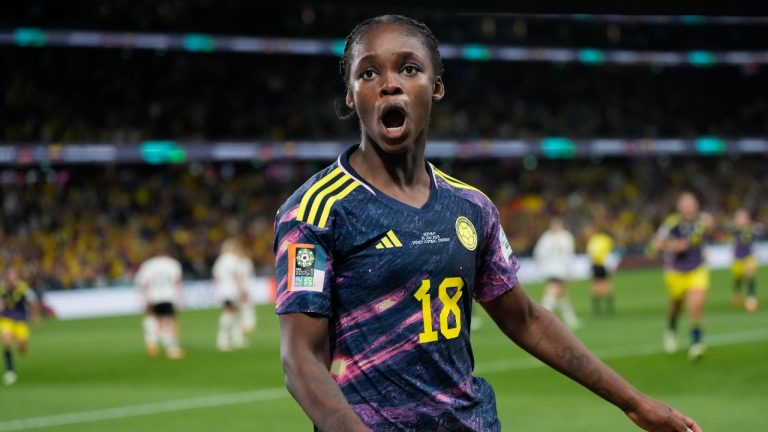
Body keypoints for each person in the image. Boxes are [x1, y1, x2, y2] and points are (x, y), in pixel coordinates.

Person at [274, 14, 701, 432]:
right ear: (351, 95)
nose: (389, 83)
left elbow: (526, 319)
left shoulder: (471, 207)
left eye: (409, 69)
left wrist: (635, 403)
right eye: (368, 73)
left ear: (436, 86)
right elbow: (300, 359)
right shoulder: (314, 212)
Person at [654, 192, 713, 361]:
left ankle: (696, 343)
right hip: (676, 272)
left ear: (696, 206)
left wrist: (711, 223)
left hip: (697, 270)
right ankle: (671, 330)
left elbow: (710, 227)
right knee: (676, 307)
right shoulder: (671, 223)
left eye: (691, 205)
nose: (688, 208)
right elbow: (656, 243)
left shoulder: (701, 222)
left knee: (695, 307)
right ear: (679, 207)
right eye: (685, 205)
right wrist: (673, 245)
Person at [135, 245, 184, 359]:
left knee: (153, 320)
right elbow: (176, 282)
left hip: (153, 296)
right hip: (169, 296)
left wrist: (145, 298)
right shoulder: (173, 264)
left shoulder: (148, 265)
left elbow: (144, 283)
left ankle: (152, 344)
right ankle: (173, 347)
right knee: (171, 321)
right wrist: (179, 298)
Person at [534, 217, 580, 329]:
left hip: (562, 269)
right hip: (551, 269)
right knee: (553, 291)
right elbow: (539, 252)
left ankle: (570, 319)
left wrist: (570, 271)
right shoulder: (547, 237)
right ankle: (542, 318)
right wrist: (546, 263)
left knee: (560, 294)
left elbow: (569, 255)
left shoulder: (565, 237)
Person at [212, 238, 256, 351]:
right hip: (232, 290)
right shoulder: (234, 260)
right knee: (229, 313)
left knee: (233, 313)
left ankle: (237, 338)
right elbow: (238, 277)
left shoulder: (220, 260)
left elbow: (215, 277)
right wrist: (243, 291)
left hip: (222, 290)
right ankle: (222, 340)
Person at [0, 268, 39, 385]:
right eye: (10, 277)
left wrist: (35, 315)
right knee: (6, 340)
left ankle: (18, 343)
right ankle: (10, 371)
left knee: (22, 347)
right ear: (7, 278)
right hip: (6, 318)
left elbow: (32, 301)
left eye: (14, 276)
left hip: (21, 319)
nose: (12, 279)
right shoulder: (2, 288)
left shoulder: (23, 287)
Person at [729, 208, 759, 313]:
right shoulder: (734, 230)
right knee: (738, 278)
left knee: (750, 275)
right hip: (738, 259)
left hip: (749, 257)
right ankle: (737, 293)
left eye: (743, 217)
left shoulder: (750, 229)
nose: (741, 219)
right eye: (739, 217)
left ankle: (751, 298)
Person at [586, 226, 616, 316]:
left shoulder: (594, 241)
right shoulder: (606, 239)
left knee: (596, 286)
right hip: (605, 264)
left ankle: (598, 309)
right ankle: (609, 307)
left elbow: (592, 254)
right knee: (606, 284)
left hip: (599, 264)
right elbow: (610, 251)